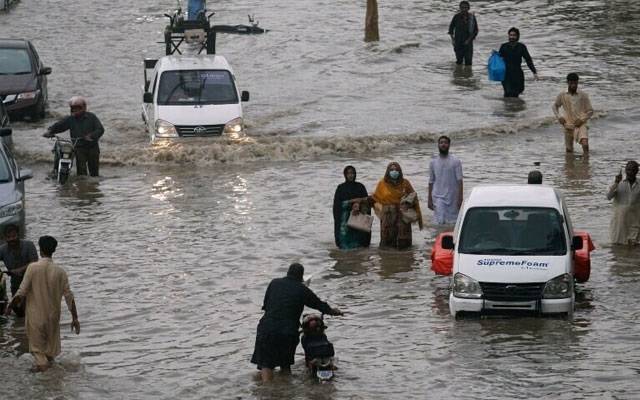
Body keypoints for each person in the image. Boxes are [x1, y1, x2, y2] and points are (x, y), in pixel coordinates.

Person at [251, 263, 342, 382]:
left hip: (267, 329)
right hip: (288, 333)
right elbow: (319, 305)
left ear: (288, 273)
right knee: (285, 364)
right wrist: (333, 311)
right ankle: (286, 391)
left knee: (266, 364)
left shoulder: (274, 283)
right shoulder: (303, 290)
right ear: (301, 277)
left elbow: (266, 306)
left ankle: (268, 391)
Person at [5, 235, 80, 372]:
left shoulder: (33, 268)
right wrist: (75, 318)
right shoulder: (60, 271)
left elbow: (21, 293)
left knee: (39, 355)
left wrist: (10, 306)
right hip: (53, 318)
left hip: (36, 318)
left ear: (40, 250)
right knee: (50, 355)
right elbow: (69, 297)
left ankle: (42, 382)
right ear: (54, 250)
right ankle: (53, 386)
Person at [44, 96, 104, 177]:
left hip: (93, 148)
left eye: (78, 108)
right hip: (79, 148)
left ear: (83, 107)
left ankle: (93, 186)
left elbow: (100, 129)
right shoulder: (70, 119)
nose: (76, 110)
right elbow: (60, 125)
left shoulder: (92, 117)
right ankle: (83, 187)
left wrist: (91, 136)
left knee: (94, 173)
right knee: (82, 173)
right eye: (73, 108)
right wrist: (50, 131)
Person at [372, 162, 423, 249]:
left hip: (402, 217)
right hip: (388, 218)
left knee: (404, 246)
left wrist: (407, 205)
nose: (394, 172)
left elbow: (414, 197)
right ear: (388, 172)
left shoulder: (405, 183)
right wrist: (382, 211)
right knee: (387, 246)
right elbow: (376, 200)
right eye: (391, 170)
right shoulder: (382, 184)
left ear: (400, 171)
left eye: (396, 170)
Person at [0, 224, 38, 317]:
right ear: (5, 238)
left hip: (32, 282)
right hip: (16, 284)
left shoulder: (29, 245)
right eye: (9, 237)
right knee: (19, 311)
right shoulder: (2, 249)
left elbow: (35, 262)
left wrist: (19, 270)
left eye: (14, 236)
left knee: (34, 311)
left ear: (18, 235)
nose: (12, 239)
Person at [552, 73, 594, 154]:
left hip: (580, 124)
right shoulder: (562, 95)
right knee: (569, 149)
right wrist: (559, 117)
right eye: (572, 83)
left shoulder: (583, 95)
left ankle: (586, 161)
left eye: (575, 83)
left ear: (578, 82)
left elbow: (590, 111)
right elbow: (555, 106)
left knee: (585, 142)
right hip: (567, 124)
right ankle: (569, 163)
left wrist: (581, 120)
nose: (574, 85)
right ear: (568, 82)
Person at [332, 166, 371, 249]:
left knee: (360, 247)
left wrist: (359, 205)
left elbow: (367, 202)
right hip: (345, 221)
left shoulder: (360, 187)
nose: (351, 175)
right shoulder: (341, 188)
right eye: (348, 173)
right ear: (345, 175)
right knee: (345, 247)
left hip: (358, 219)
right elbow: (337, 205)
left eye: (352, 173)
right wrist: (351, 202)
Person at [428, 136, 463, 224]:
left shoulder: (456, 161)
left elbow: (460, 181)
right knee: (440, 220)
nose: (443, 144)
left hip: (452, 196)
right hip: (438, 196)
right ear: (438, 145)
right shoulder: (433, 162)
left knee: (452, 222)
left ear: (449, 145)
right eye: (441, 143)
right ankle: (438, 236)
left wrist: (460, 198)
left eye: (445, 143)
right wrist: (429, 199)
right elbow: (431, 181)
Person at [606, 161, 640, 245]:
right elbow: (608, 196)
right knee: (618, 246)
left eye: (633, 170)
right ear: (625, 171)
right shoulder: (617, 182)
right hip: (619, 221)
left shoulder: (639, 183)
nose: (630, 172)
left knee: (634, 246)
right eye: (628, 170)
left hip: (635, 221)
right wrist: (616, 183)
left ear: (637, 171)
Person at [498, 27, 538, 98]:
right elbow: (498, 60)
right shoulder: (504, 46)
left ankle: (515, 107)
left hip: (518, 73)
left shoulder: (521, 47)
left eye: (514, 35)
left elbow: (528, 60)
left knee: (517, 93)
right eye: (510, 35)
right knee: (508, 93)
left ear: (517, 36)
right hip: (506, 74)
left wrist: (534, 72)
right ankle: (507, 107)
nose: (512, 37)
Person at [448, 1, 478, 66]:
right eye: (462, 7)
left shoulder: (472, 17)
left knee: (468, 62)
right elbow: (451, 29)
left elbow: (475, 31)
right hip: (458, 42)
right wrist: (453, 40)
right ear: (460, 8)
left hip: (468, 44)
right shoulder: (456, 17)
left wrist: (468, 40)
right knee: (459, 62)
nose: (464, 9)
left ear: (468, 8)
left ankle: (467, 75)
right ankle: (459, 74)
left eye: (465, 7)